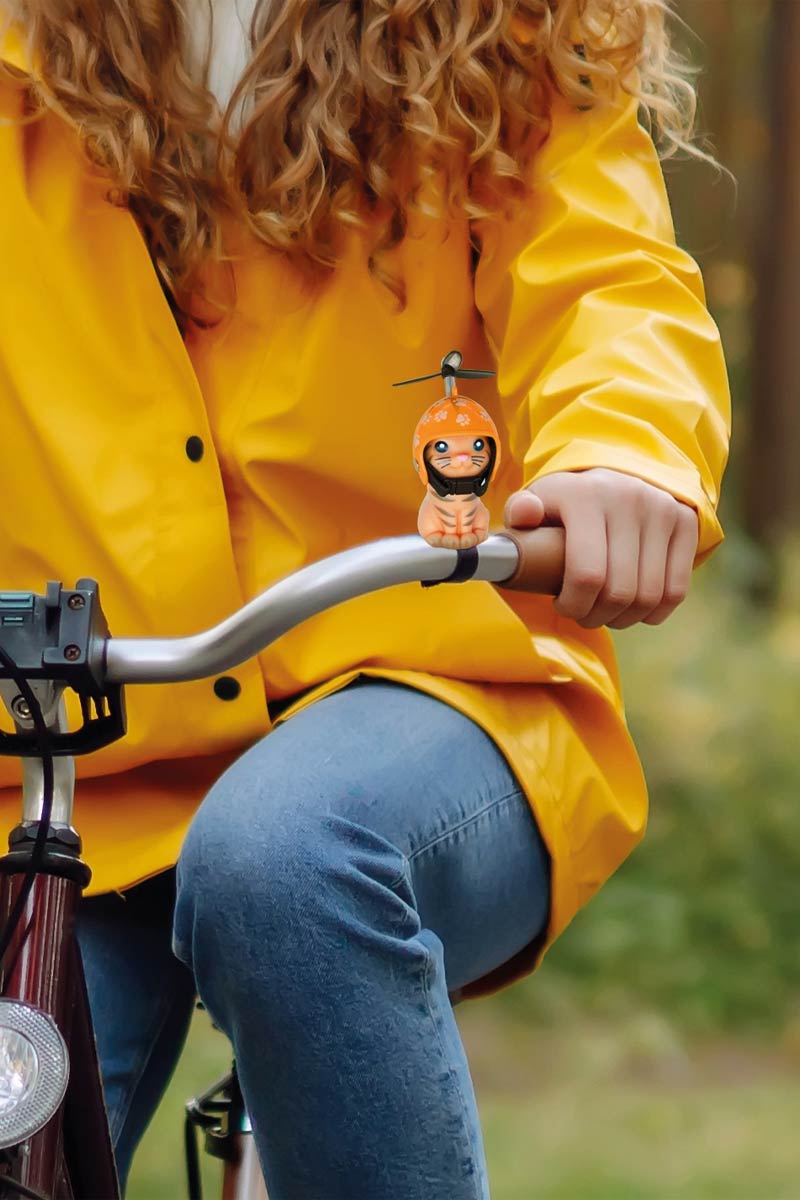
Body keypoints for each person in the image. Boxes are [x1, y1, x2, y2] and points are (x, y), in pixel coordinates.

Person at [0, 1, 730, 1196]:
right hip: (79, 746)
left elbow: (608, 278)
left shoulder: (503, 29)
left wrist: (623, 454)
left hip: (428, 680)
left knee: (287, 861)